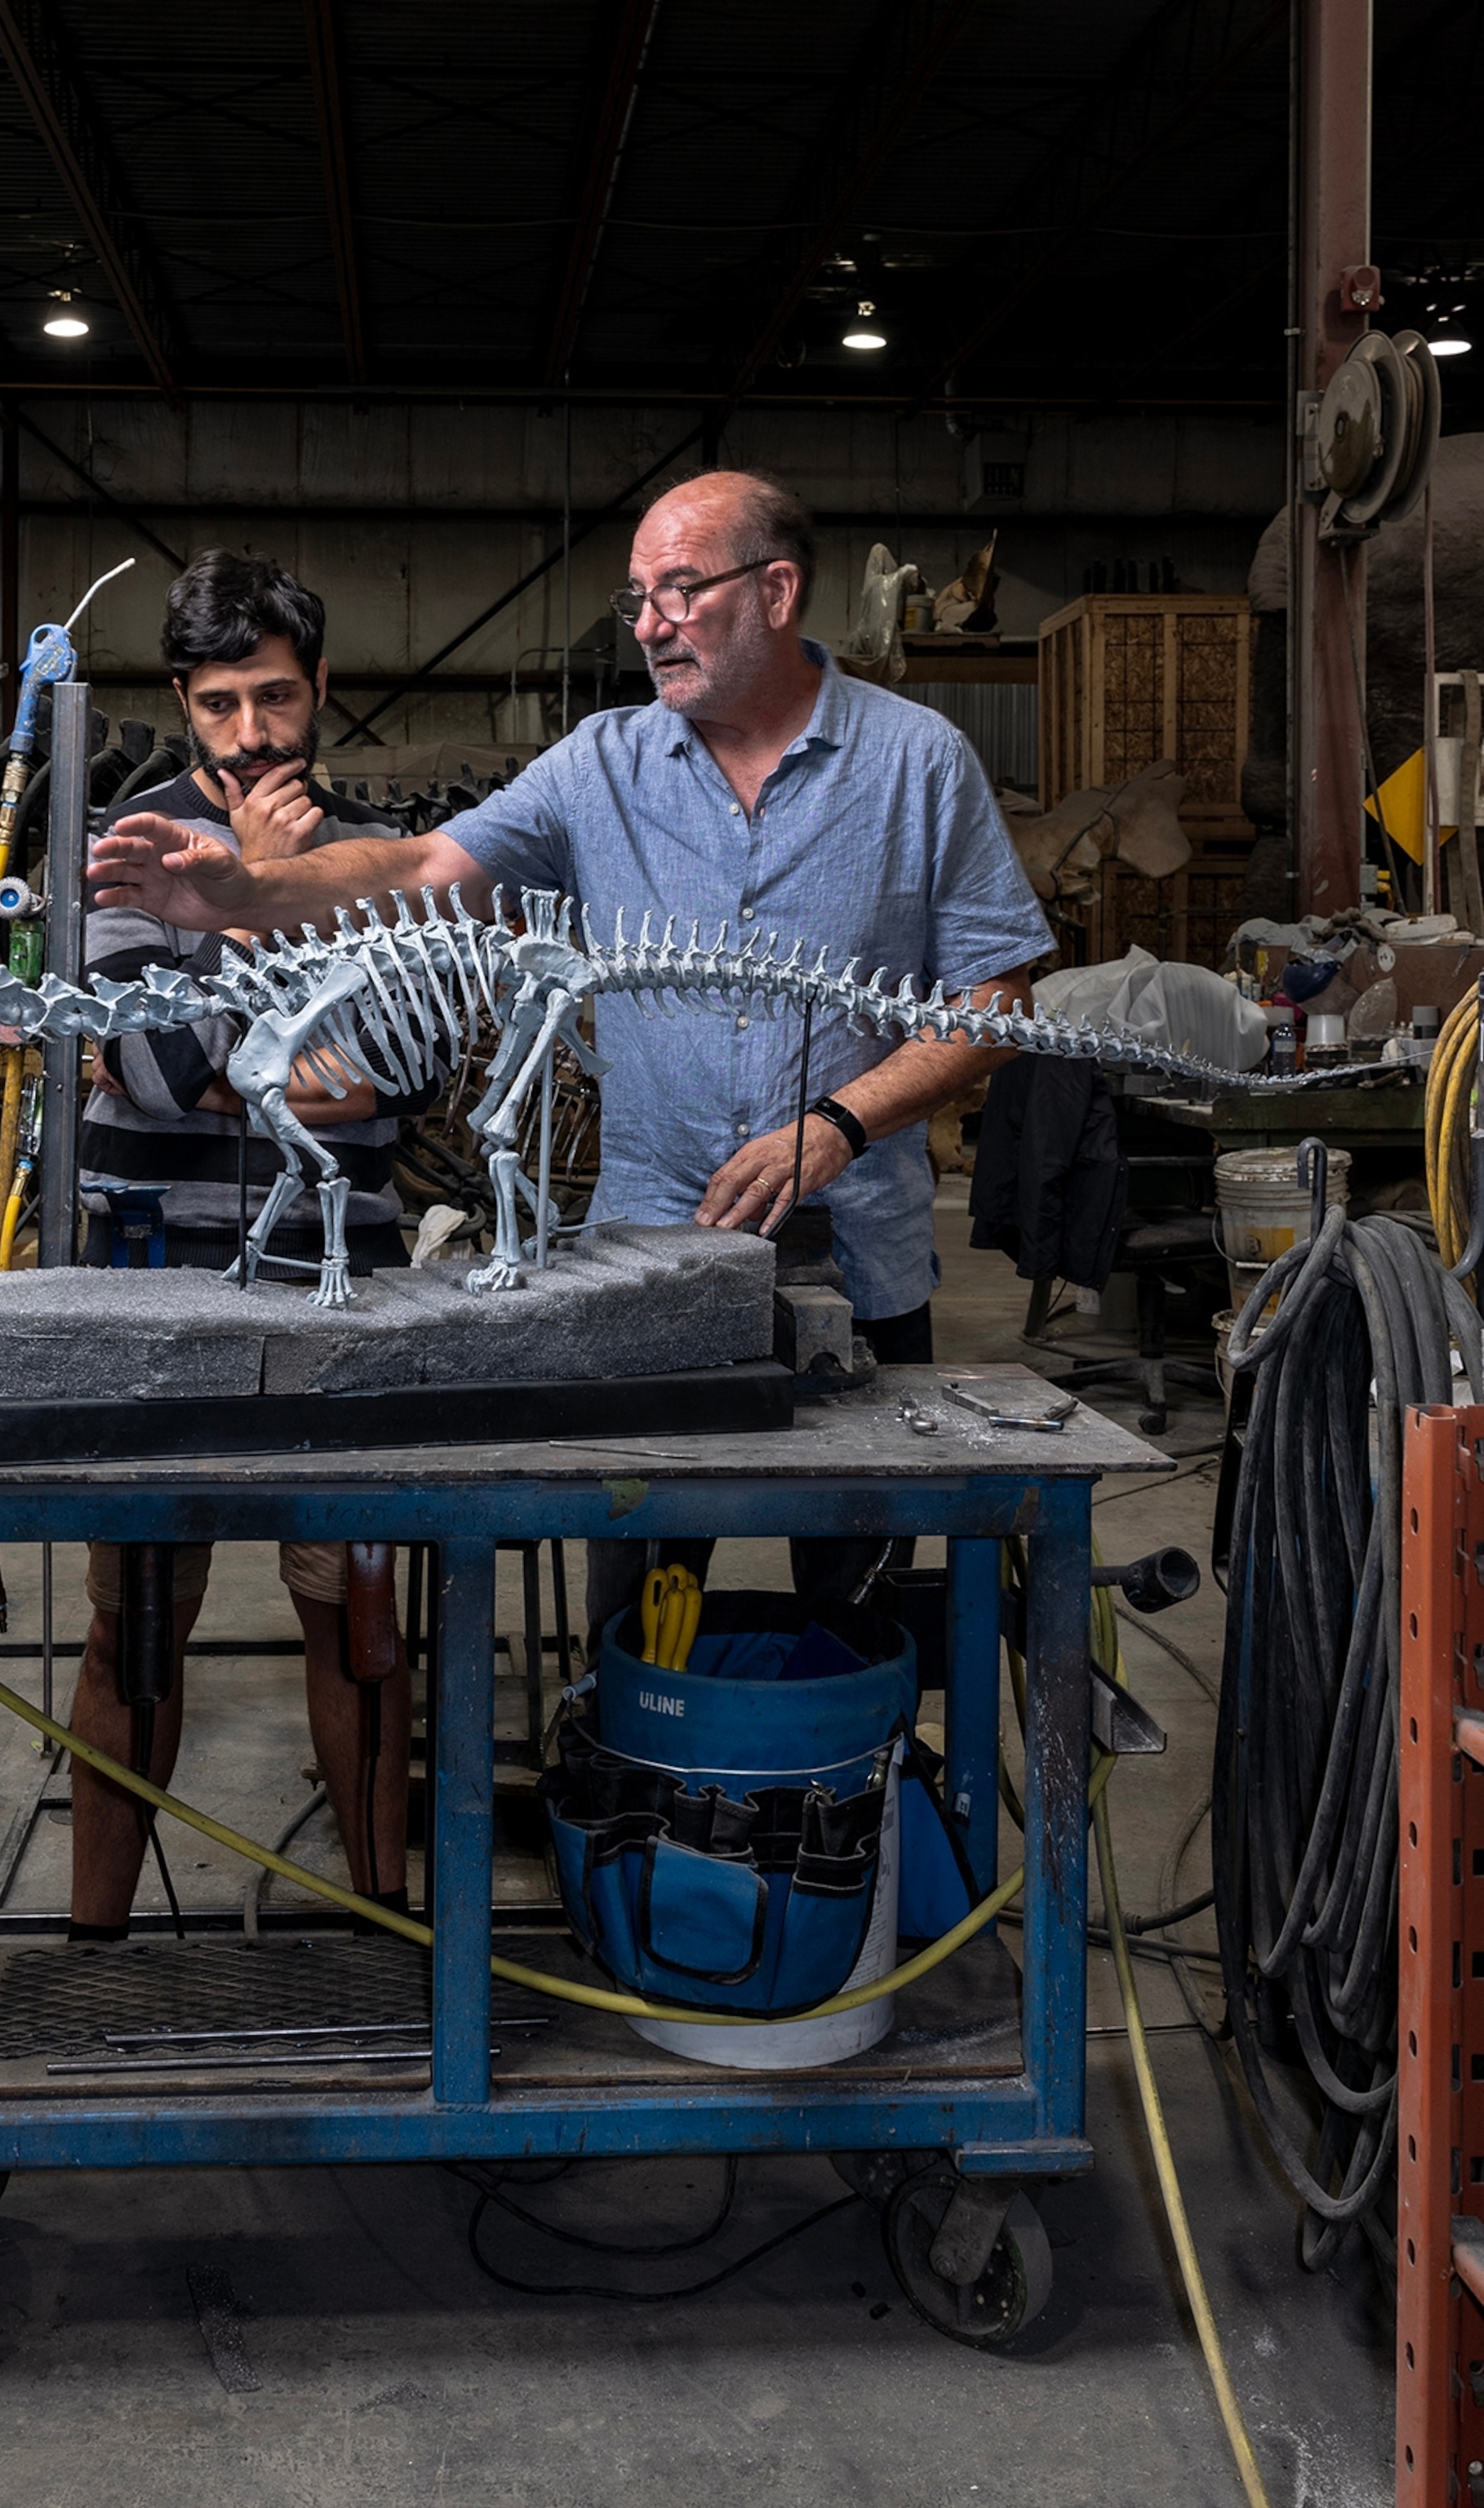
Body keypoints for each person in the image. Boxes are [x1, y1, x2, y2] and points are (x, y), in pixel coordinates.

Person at [88, 470, 1052, 1647]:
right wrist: (249, 888)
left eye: (678, 592)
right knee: (637, 1598)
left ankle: (846, 1788)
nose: (644, 624)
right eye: (635, 595)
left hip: (863, 1246)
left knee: (853, 1602)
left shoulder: (920, 763)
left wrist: (838, 1122)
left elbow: (993, 995)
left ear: (778, 591)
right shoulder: (599, 763)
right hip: (645, 1251)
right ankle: (634, 1808)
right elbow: (420, 869)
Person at [69, 549, 426, 1941]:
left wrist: (210, 1032)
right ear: (181, 699)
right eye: (217, 706)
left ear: (319, 687)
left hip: (343, 1292)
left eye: (273, 699)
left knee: (355, 1617)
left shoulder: (387, 857)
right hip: (152, 1285)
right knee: (131, 1617)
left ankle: (385, 1925)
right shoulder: (120, 851)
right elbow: (154, 1070)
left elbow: (394, 1070)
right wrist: (255, 900)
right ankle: (94, 1941)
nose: (249, 736)